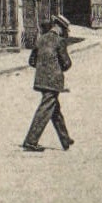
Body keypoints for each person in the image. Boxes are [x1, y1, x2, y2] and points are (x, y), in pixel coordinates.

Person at [22, 13, 73, 153]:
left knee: (54, 110)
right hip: (54, 81)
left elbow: (32, 61)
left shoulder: (41, 39)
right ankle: (30, 141)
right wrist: (56, 69)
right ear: (61, 28)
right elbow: (67, 63)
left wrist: (43, 68)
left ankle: (65, 139)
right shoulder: (60, 41)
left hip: (41, 79)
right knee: (44, 111)